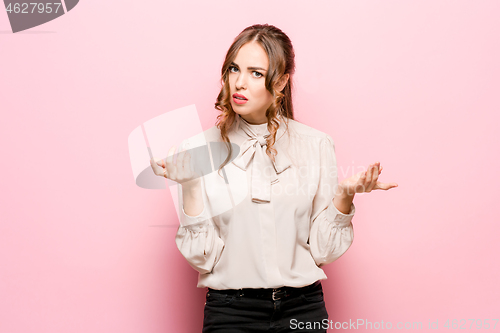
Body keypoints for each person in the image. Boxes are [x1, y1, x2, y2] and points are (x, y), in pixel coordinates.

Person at [150, 24, 398, 333]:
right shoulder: (196, 151)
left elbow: (322, 251)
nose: (239, 83)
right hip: (231, 313)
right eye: (233, 69)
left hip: (303, 309)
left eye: (256, 73)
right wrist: (189, 185)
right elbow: (203, 258)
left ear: (280, 82)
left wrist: (344, 196)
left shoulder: (316, 145)